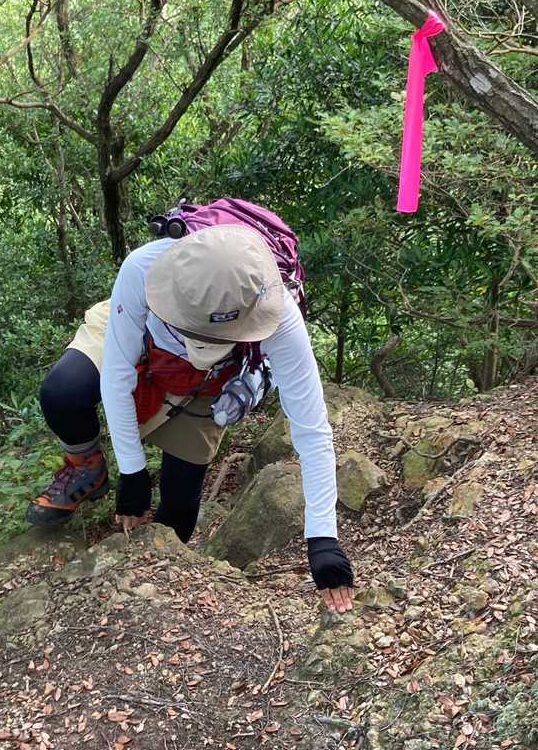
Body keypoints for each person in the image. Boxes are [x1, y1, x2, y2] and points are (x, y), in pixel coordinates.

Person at [27, 223, 354, 613]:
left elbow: (311, 428)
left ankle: (154, 588)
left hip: (215, 376)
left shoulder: (275, 311)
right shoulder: (143, 268)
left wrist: (323, 539)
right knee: (63, 393)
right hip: (140, 332)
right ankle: (87, 469)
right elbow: (116, 373)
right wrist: (132, 474)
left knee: (179, 514)